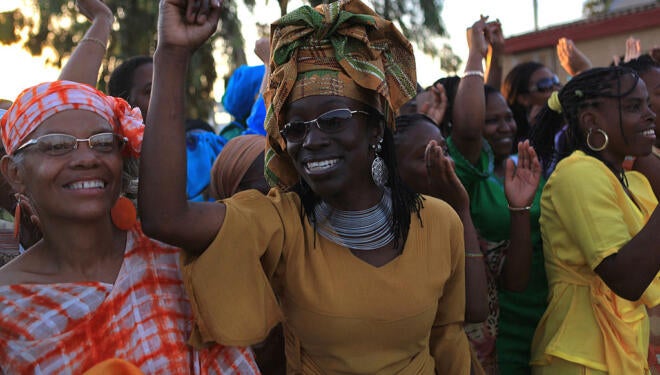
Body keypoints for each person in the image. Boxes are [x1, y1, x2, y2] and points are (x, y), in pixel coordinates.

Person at [139, 0, 471, 373]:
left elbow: (449, 340)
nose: (310, 140)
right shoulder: (282, 222)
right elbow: (165, 218)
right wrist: (171, 53)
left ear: (376, 128)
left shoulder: (440, 223)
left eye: (332, 120)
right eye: (295, 128)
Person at [0, 80, 257, 374]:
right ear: (15, 173)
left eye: (103, 143)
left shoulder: (175, 258)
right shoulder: (8, 309)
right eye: (58, 146)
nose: (86, 159)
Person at [529, 65, 659, 374]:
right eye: (633, 107)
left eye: (648, 105)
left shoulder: (634, 182)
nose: (650, 115)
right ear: (591, 121)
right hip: (580, 356)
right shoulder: (577, 173)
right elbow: (625, 279)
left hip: (625, 348)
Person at [446, 17, 545, 374]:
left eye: (508, 118)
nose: (504, 126)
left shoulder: (527, 167)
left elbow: (489, 108)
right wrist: (476, 53)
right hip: (500, 323)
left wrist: (497, 57)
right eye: (493, 120)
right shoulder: (467, 179)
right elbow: (472, 127)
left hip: (547, 308)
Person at [502, 61, 561, 149]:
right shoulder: (516, 144)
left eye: (555, 81)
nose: (556, 88)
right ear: (524, 98)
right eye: (545, 84)